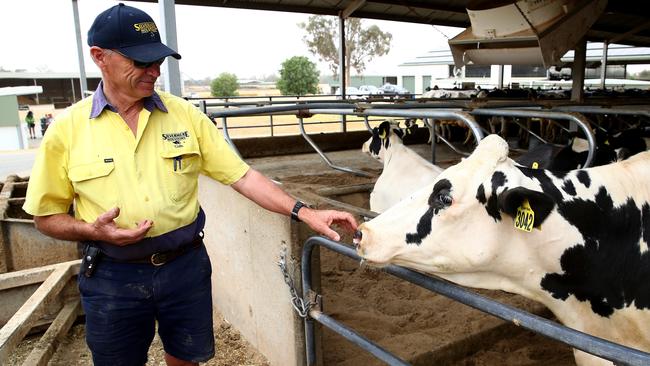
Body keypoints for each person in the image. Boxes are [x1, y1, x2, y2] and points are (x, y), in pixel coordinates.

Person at [22, 4, 357, 366]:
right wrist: (93, 231)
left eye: (158, 61)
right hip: (112, 275)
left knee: (186, 359)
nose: (154, 71)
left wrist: (304, 211)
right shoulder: (66, 131)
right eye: (140, 61)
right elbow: (45, 218)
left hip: (184, 268)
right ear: (100, 57)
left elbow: (242, 176)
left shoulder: (185, 116)